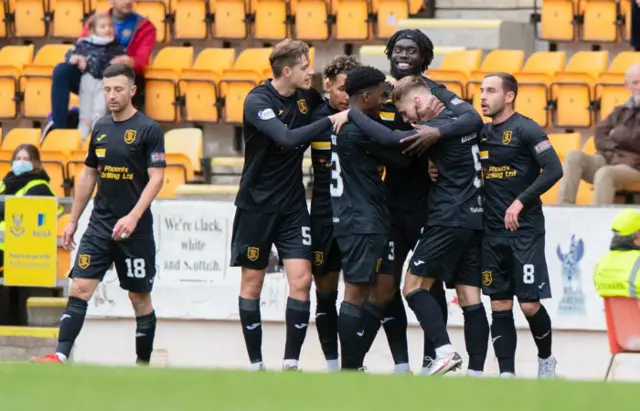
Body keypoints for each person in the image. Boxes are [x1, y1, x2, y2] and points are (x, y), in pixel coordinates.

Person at [32, 64, 166, 364]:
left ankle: (142, 365)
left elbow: (157, 178)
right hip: (100, 224)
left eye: (118, 89)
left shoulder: (149, 129)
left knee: (139, 298)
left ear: (132, 91)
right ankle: (61, 355)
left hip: (135, 228)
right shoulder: (101, 127)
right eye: (107, 89)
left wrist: (133, 216)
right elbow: (89, 175)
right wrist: (73, 220)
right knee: (80, 286)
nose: (112, 95)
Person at [369, 28, 485, 374]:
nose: (404, 55)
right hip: (393, 203)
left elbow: (472, 120)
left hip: (434, 205)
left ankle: (435, 357)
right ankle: (406, 364)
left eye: (412, 50)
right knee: (390, 283)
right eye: (398, 49)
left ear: (425, 58)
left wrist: (436, 134)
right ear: (389, 53)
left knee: (423, 286)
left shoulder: (437, 96)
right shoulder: (379, 93)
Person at [231, 39, 349, 371]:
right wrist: (331, 120)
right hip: (256, 206)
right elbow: (285, 138)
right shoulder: (258, 101)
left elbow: (333, 104)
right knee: (252, 283)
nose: (310, 71)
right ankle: (256, 364)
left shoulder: (307, 98)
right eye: (304, 66)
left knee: (301, 280)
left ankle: (290, 363)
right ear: (287, 71)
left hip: (294, 206)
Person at [392, 75, 490, 377]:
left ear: (418, 101)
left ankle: (444, 351)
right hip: (475, 216)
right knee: (469, 297)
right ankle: (476, 375)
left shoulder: (432, 130)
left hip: (448, 217)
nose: (407, 120)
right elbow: (471, 120)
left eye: (406, 112)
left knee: (412, 286)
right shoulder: (459, 119)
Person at [329, 65, 417, 370]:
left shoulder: (356, 127)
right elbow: (396, 145)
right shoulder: (354, 128)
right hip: (359, 221)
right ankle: (349, 370)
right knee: (354, 295)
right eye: (381, 95)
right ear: (365, 96)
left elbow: (397, 160)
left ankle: (355, 366)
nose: (385, 100)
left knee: (377, 290)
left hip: (366, 219)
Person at [478, 72, 563, 378]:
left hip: (524, 230)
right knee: (499, 304)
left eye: (490, 90)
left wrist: (521, 201)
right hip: (490, 230)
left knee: (528, 305)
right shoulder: (482, 133)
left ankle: (546, 360)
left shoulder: (527, 129)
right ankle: (507, 375)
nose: (483, 96)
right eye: (481, 90)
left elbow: (554, 169)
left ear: (509, 96)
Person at [309, 55, 360, 372]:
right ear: (328, 87)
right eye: (342, 89)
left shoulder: (367, 117)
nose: (347, 96)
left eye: (352, 90)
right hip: (324, 214)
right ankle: (331, 366)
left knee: (362, 294)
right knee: (325, 292)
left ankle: (355, 364)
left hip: (360, 216)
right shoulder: (314, 118)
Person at [43, 0, 155, 137]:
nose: (128, 1)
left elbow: (142, 61)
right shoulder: (96, 20)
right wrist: (78, 58)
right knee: (61, 70)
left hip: (122, 76)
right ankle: (58, 130)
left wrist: (129, 61)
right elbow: (82, 45)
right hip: (92, 74)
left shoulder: (145, 26)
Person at [557, 64, 640, 205]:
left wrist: (616, 135)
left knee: (605, 173)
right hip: (608, 158)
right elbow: (599, 135)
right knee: (573, 156)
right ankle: (563, 209)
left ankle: (596, 222)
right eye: (635, 82)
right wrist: (617, 143)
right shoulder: (620, 110)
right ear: (627, 85)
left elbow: (635, 142)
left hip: (633, 165)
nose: (639, 86)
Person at [64, 13, 126, 142]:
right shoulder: (84, 43)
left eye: (110, 26)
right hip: (88, 79)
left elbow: (122, 61)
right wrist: (76, 58)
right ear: (93, 30)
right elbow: (70, 54)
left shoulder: (115, 45)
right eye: (102, 26)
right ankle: (81, 137)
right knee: (86, 109)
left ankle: (97, 137)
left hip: (105, 81)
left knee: (100, 109)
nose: (107, 29)